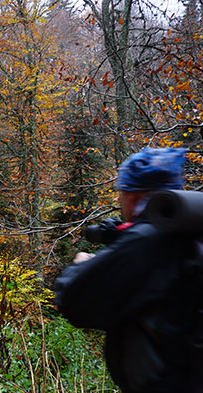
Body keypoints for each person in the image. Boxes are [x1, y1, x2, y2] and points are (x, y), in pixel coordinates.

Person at [54, 147, 201, 392]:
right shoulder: (188, 231)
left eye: (121, 193)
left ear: (132, 196)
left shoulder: (147, 242)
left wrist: (80, 265)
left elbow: (74, 302)